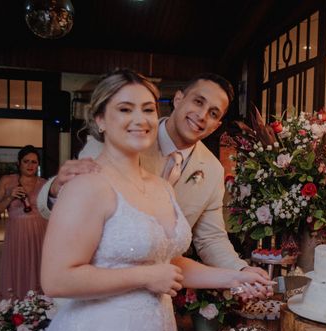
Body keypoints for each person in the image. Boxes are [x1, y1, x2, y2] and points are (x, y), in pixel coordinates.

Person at [18, 70, 271, 331]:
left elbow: (172, 258)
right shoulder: (88, 177)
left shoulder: (161, 186)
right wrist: (146, 278)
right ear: (99, 120)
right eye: (125, 109)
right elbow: (58, 278)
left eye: (147, 109)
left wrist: (237, 276)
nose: (140, 119)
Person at [37, 72, 267, 280]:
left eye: (213, 113)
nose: (202, 115)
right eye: (198, 102)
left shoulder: (212, 170)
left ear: (216, 126)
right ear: (178, 99)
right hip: (94, 284)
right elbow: (73, 201)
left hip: (162, 290)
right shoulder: (123, 137)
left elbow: (210, 238)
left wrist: (240, 271)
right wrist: (58, 188)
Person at [0, 146, 47, 299]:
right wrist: (9, 197)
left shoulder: (44, 184)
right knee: (17, 268)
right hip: (16, 234)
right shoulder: (7, 181)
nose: (30, 165)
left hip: (39, 234)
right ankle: (14, 309)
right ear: (19, 163)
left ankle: (37, 310)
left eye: (34, 162)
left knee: (37, 269)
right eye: (26, 161)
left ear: (38, 165)